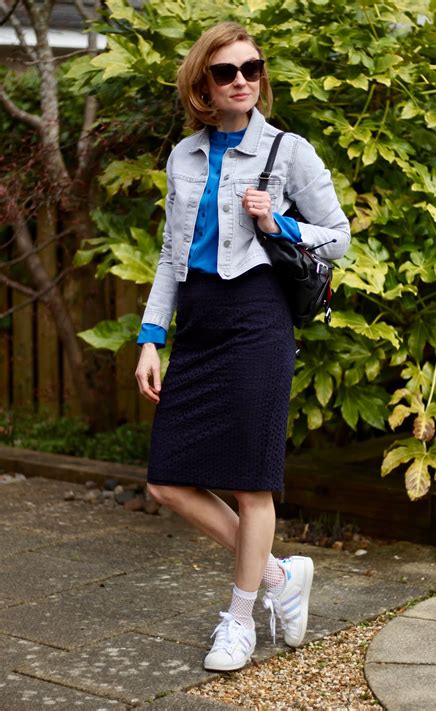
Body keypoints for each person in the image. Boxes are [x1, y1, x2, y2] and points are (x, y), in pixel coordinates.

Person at [135, 21, 350, 672]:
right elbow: (171, 256)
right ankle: (282, 576)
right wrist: (151, 337)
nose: (241, 82)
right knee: (167, 480)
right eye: (226, 72)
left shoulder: (289, 152)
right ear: (203, 82)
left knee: (253, 482)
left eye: (251, 69)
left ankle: (240, 617)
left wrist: (274, 220)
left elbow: (336, 238)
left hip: (259, 319)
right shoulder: (183, 156)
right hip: (199, 323)